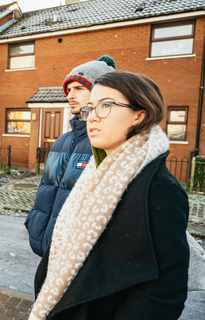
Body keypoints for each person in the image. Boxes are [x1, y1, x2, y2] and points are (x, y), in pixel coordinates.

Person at [29, 71, 189, 320]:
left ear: (139, 114)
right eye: (90, 108)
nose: (92, 117)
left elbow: (162, 293)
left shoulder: (158, 188)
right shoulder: (100, 171)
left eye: (105, 106)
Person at [25, 56, 115, 258]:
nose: (70, 95)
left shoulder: (108, 143)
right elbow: (46, 188)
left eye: (79, 88)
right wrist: (33, 221)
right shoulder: (61, 142)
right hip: (45, 248)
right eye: (69, 89)